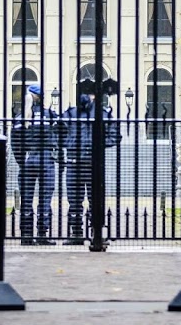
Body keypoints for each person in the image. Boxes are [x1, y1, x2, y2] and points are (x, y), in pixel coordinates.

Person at [60, 78, 121, 245]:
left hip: (89, 162)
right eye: (85, 92)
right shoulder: (72, 113)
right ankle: (81, 234)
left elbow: (115, 136)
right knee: (77, 201)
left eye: (90, 92)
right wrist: (70, 144)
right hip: (78, 162)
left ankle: (90, 235)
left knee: (90, 200)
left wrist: (98, 145)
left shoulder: (99, 113)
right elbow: (58, 133)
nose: (88, 96)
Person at [10, 84, 61, 245]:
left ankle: (26, 235)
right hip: (46, 158)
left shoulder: (20, 118)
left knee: (26, 199)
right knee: (45, 199)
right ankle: (42, 234)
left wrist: (21, 161)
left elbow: (15, 142)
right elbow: (62, 133)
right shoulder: (49, 116)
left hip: (28, 159)